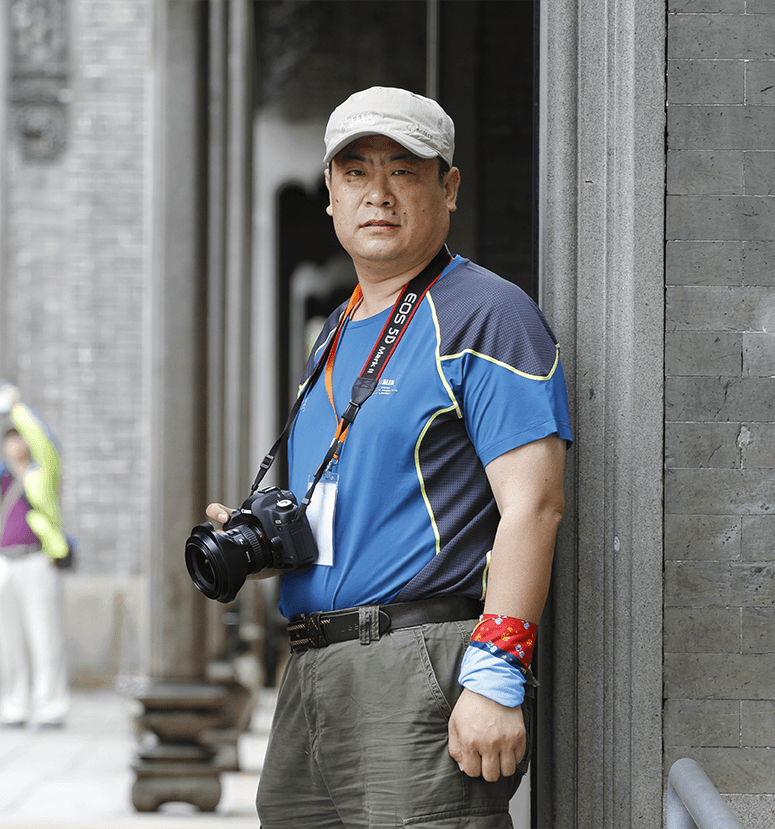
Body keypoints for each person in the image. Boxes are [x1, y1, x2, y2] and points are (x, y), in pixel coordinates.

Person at [205, 87, 572, 827]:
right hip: (312, 669)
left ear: (449, 187)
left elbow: (535, 504)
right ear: (331, 194)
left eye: (404, 171)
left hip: (415, 662)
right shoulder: (336, 331)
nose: (378, 193)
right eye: (356, 172)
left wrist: (496, 674)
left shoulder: (486, 313)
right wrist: (273, 545)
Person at [0, 385, 71, 728]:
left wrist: (17, 409)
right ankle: (13, 706)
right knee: (7, 640)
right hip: (2, 562)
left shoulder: (44, 473)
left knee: (45, 636)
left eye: (20, 438)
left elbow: (46, 446)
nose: (16, 444)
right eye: (9, 439)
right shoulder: (0, 477)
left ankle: (50, 706)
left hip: (36, 560)